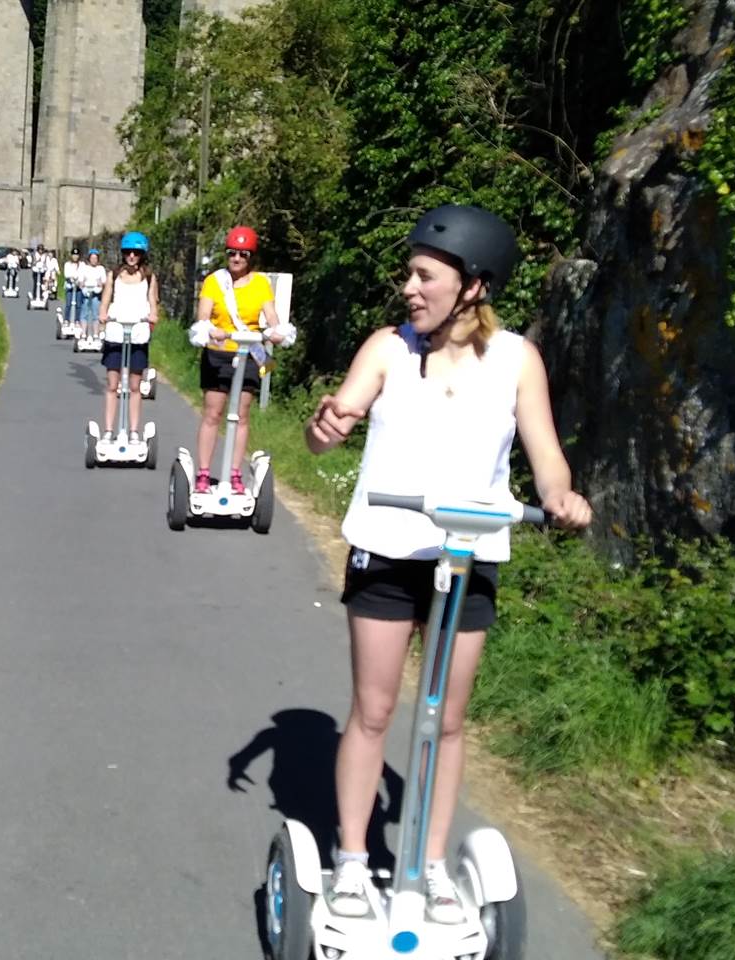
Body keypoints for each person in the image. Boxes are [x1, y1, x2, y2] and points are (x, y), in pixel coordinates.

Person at [304, 204, 593, 925]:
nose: (408, 286)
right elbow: (328, 436)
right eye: (409, 273)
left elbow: (546, 458)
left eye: (424, 275)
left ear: (472, 286)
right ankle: (348, 860)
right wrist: (325, 426)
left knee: (447, 718)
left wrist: (561, 498)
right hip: (389, 549)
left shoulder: (518, 360)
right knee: (374, 712)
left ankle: (430, 865)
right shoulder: (387, 350)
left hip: (469, 554)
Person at [189, 226, 284, 494]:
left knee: (241, 415)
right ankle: (204, 474)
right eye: (232, 253)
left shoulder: (260, 284)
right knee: (213, 413)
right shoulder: (214, 281)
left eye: (243, 253)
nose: (237, 258)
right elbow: (203, 314)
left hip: (248, 353)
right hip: (218, 352)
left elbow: (271, 316)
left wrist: (276, 332)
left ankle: (235, 474)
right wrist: (210, 329)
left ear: (250, 256)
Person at [97, 231, 159, 441]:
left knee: (134, 386)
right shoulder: (113, 275)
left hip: (138, 334)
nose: (132, 256)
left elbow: (152, 302)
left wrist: (152, 315)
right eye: (128, 252)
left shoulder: (149, 277)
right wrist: (103, 314)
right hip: (116, 333)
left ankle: (133, 432)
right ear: (123, 253)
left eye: (136, 252)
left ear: (142, 254)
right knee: (112, 385)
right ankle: (108, 431)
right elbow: (105, 299)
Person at [77, 248, 107, 341]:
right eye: (92, 258)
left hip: (96, 294)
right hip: (86, 293)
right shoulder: (84, 268)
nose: (94, 260)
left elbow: (104, 281)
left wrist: (100, 284)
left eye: (95, 258)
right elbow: (80, 281)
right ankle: (83, 333)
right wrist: (82, 283)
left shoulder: (100, 269)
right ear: (89, 259)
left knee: (96, 314)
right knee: (84, 313)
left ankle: (95, 334)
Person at [62, 246, 83, 324]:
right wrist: (72, 278)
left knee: (78, 305)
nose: (75, 256)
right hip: (69, 286)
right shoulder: (67, 264)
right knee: (68, 304)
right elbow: (66, 274)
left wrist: (79, 280)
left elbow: (82, 274)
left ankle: (77, 320)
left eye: (77, 255)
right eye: (74, 255)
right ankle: (66, 319)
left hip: (78, 287)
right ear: (71, 256)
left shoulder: (82, 264)